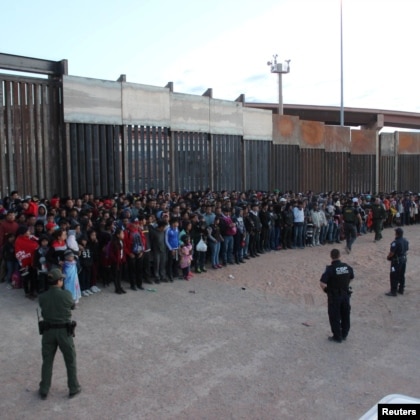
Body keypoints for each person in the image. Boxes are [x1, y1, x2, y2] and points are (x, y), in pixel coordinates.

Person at [38, 268, 81, 400]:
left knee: (47, 361)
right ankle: (73, 387)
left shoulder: (42, 297)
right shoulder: (66, 295)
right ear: (59, 281)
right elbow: (72, 306)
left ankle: (44, 388)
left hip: (48, 332)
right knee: (70, 360)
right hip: (64, 331)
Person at [319, 248, 354, 343]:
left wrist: (327, 291)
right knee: (345, 314)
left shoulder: (330, 269)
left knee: (334, 316)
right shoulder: (346, 267)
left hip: (334, 296)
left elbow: (322, 283)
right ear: (339, 256)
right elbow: (351, 277)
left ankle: (337, 336)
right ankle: (344, 334)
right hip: (345, 294)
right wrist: (346, 284)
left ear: (331, 256)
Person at [385, 227, 409, 296]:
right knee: (401, 275)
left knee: (394, 276)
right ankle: (401, 289)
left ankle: (393, 291)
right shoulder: (405, 241)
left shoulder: (395, 242)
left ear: (396, 234)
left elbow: (392, 253)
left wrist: (388, 257)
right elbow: (406, 249)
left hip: (396, 261)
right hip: (403, 260)